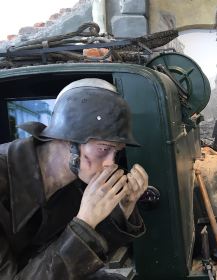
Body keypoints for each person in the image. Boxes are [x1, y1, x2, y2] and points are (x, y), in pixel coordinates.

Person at [0, 78, 148, 279]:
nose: (110, 164)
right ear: (66, 139)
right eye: (103, 149)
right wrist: (84, 223)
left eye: (116, 152)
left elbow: (84, 263)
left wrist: (123, 208)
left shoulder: (75, 182)